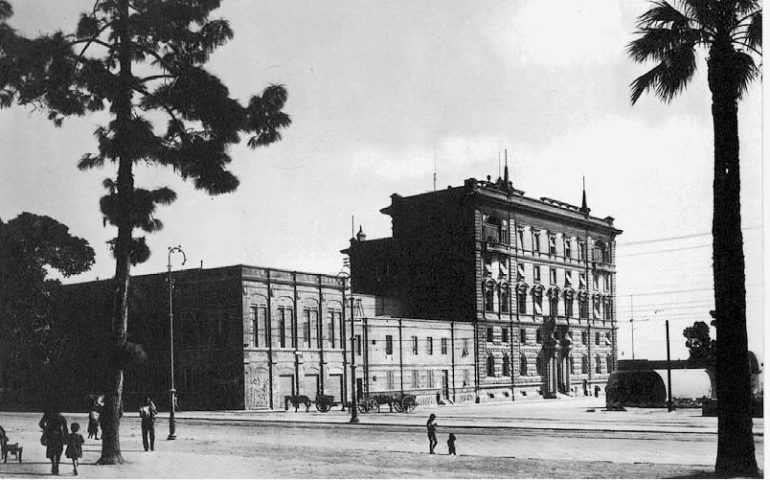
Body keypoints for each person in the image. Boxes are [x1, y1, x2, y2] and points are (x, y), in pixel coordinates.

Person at [39, 407, 68, 475]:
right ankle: (57, 466)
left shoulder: (48, 416)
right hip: (59, 435)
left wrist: (46, 429)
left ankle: (53, 464)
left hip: (50, 435)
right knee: (58, 452)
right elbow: (65, 428)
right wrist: (66, 437)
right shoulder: (61, 417)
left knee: (51, 451)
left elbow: (41, 424)